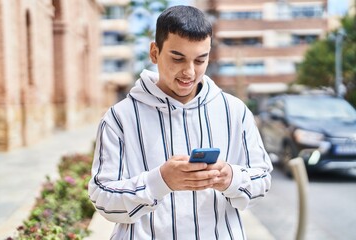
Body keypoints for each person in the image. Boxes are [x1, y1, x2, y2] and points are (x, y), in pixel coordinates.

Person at [88, 5, 273, 239]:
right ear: (154, 52)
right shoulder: (119, 118)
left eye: (200, 60)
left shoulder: (234, 111)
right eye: (178, 58)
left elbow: (263, 179)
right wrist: (160, 181)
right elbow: (102, 197)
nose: (189, 72)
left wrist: (231, 178)